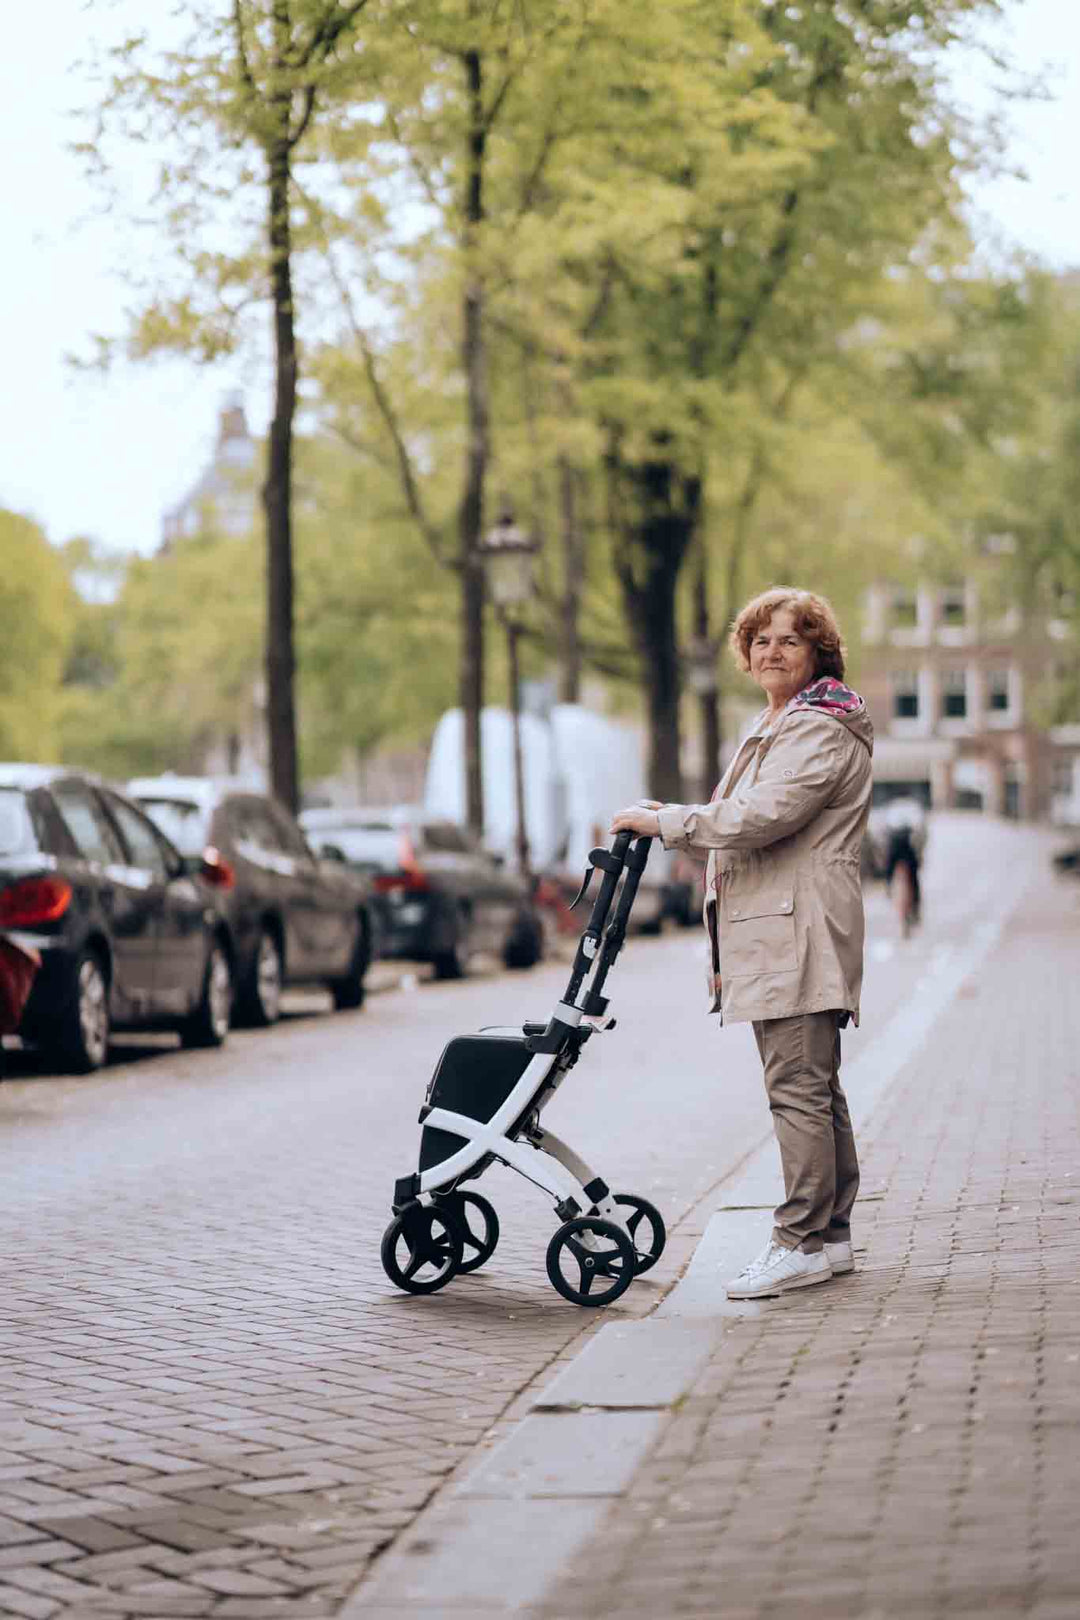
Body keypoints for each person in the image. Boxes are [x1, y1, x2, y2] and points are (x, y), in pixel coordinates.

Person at [611, 586, 874, 1300]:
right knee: (815, 1087)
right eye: (759, 640)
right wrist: (677, 815)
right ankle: (832, 1235)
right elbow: (743, 812)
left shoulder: (817, 726)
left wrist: (670, 825)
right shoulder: (785, 720)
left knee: (797, 1088)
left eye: (790, 639)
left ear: (820, 650)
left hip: (797, 929)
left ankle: (799, 1240)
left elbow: (765, 814)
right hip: (784, 927)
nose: (771, 651)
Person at [883, 797, 925, 922]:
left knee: (892, 872)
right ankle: (915, 906)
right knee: (913, 878)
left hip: (898, 852)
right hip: (905, 852)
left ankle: (890, 888)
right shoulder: (912, 812)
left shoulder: (892, 812)